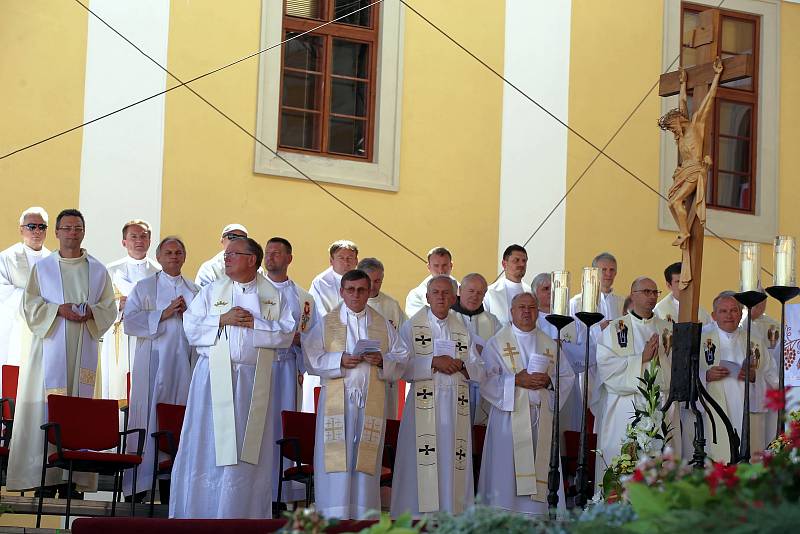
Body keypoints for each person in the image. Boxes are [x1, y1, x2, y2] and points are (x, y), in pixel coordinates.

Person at [170, 237, 296, 519]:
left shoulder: (274, 296)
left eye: (233, 254)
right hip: (213, 381)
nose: (225, 258)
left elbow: (286, 334)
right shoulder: (212, 290)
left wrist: (255, 323)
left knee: (246, 453)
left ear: (252, 260)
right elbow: (190, 328)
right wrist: (222, 319)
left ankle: (242, 514)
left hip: (253, 382)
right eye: (226, 254)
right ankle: (202, 513)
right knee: (209, 446)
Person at [7, 209, 117, 495]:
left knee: (77, 407)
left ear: (83, 231)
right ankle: (43, 475)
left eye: (77, 227)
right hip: (47, 351)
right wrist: (58, 310)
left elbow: (110, 308)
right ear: (56, 232)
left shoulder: (98, 270)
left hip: (84, 350)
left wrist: (92, 311)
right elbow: (29, 306)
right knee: (46, 406)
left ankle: (74, 480)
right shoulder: (42, 269)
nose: (72, 232)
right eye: (66, 228)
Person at [304, 269, 408, 519]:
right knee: (337, 460)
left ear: (369, 291)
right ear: (342, 292)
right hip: (337, 405)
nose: (356, 295)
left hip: (369, 403)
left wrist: (382, 360)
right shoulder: (328, 323)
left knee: (364, 459)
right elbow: (311, 357)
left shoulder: (381, 323)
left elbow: (403, 357)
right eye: (350, 289)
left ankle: (363, 515)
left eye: (361, 289)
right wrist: (339, 360)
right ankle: (334, 515)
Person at [391, 275, 481, 517]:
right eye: (436, 293)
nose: (441, 297)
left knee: (452, 459)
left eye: (445, 293)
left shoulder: (463, 328)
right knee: (421, 458)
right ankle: (416, 515)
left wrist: (461, 365)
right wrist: (433, 362)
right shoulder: (412, 326)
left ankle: (452, 512)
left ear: (454, 298)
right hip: (423, 405)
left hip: (454, 408)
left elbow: (479, 368)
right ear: (428, 297)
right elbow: (401, 366)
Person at [477, 292, 575, 515]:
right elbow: (485, 380)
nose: (527, 312)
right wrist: (516, 380)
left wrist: (548, 381)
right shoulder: (497, 343)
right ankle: (503, 513)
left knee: (538, 467)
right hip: (508, 419)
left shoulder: (549, 344)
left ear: (538, 312)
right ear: (512, 312)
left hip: (540, 420)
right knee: (506, 472)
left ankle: (538, 514)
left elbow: (567, 377)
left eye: (532, 307)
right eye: (521, 307)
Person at [121, 236, 199, 501]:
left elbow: (204, 329)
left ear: (185, 256)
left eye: (178, 252)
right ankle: (138, 488)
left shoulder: (196, 291)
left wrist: (188, 314)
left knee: (177, 418)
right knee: (148, 417)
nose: (174, 257)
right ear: (160, 256)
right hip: (152, 364)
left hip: (183, 366)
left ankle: (171, 489)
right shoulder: (144, 287)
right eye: (168, 252)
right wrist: (162, 314)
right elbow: (130, 322)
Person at [595, 277, 680, 483]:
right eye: (646, 292)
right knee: (624, 464)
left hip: (662, 405)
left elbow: (678, 366)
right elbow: (607, 368)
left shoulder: (667, 328)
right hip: (626, 406)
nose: (651, 297)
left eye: (654, 292)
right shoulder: (616, 329)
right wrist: (641, 359)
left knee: (661, 464)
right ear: (633, 295)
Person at [262, 237, 317, 504]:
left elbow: (313, 336)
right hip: (259, 368)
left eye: (276, 253)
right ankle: (259, 491)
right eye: (267, 253)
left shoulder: (304, 299)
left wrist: (300, 345)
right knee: (261, 429)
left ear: (289, 258)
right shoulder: (254, 290)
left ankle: (281, 493)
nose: (270, 257)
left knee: (283, 429)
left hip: (287, 371)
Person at [701, 291, 778, 463]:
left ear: (741, 313)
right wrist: (706, 375)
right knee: (720, 460)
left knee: (748, 459)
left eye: (734, 310)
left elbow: (773, 378)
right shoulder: (701, 340)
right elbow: (688, 376)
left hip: (748, 413)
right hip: (715, 412)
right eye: (723, 311)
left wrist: (754, 377)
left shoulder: (754, 341)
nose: (729, 315)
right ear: (714, 315)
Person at [100, 219, 160, 401]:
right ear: (124, 242)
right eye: (133, 236)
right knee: (117, 384)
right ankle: (117, 426)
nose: (139, 240)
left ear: (150, 241)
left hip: (147, 336)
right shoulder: (111, 270)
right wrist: (118, 305)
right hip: (119, 334)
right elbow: (100, 304)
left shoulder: (158, 272)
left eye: (144, 236)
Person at [0, 207, 50, 384]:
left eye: (41, 227)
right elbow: (3, 291)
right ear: (21, 229)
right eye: (31, 226)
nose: (37, 231)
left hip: (44, 328)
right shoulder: (6, 258)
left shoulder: (53, 261)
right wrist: (36, 301)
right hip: (14, 327)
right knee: (13, 376)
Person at [531, 273, 583, 434]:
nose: (550, 293)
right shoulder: (531, 320)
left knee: (566, 434)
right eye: (546, 289)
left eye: (554, 289)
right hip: (540, 385)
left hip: (567, 384)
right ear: (535, 293)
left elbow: (587, 352)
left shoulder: (571, 321)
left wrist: (563, 349)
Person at [358, 257, 407, 419]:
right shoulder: (350, 302)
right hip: (358, 374)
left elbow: (403, 339)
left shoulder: (391, 305)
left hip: (383, 373)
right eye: (369, 280)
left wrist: (386, 360)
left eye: (378, 280)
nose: (373, 286)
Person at [451, 273, 500, 424]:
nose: (475, 296)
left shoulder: (493, 322)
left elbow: (500, 353)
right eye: (471, 291)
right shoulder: (447, 316)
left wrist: (485, 353)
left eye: (480, 293)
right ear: (460, 290)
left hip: (483, 388)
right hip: (454, 385)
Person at [483, 244, 530, 325]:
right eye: (516, 260)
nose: (522, 264)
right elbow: (484, 323)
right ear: (504, 264)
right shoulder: (490, 293)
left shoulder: (531, 292)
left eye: (524, 261)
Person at [309, 240, 359, 315]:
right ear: (331, 261)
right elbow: (318, 314)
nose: (346, 262)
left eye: (350, 258)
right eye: (341, 258)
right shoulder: (320, 283)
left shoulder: (364, 280)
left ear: (356, 261)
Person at [405, 247, 455, 318]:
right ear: (428, 267)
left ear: (451, 265)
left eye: (444, 265)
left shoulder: (463, 292)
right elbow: (418, 322)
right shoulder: (416, 295)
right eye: (436, 266)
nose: (441, 270)